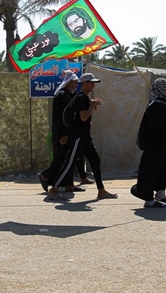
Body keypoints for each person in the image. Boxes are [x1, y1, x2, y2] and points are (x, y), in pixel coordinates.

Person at [46, 72, 117, 201]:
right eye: (91, 84)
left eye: (94, 84)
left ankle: (101, 190)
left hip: (85, 137)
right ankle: (53, 189)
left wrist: (91, 104)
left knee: (95, 160)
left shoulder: (83, 98)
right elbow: (83, 117)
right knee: (69, 163)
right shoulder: (80, 98)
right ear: (84, 84)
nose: (93, 86)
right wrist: (92, 105)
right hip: (78, 137)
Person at [131, 78, 166, 208]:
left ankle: (160, 192)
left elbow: (159, 125)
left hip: (160, 144)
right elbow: (164, 130)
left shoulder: (160, 104)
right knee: (150, 170)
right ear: (163, 88)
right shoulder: (158, 105)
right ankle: (148, 199)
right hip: (154, 144)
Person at [38, 71, 84, 193]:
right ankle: (45, 174)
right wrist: (64, 134)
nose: (76, 85)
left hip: (69, 132)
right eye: (74, 82)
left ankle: (68, 184)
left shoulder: (69, 94)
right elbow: (61, 117)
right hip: (63, 133)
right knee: (63, 158)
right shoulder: (62, 95)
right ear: (68, 82)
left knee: (69, 159)